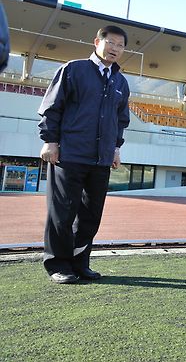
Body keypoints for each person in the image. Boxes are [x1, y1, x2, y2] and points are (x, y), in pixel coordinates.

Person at [38, 25, 130, 284]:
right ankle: (58, 265)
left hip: (101, 159)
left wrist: (115, 148)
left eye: (120, 45)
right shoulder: (73, 70)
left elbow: (120, 119)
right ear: (97, 42)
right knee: (62, 212)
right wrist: (50, 141)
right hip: (69, 154)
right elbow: (52, 107)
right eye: (110, 42)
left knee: (90, 215)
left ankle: (80, 263)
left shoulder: (120, 82)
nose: (115, 49)